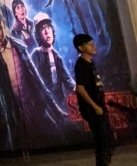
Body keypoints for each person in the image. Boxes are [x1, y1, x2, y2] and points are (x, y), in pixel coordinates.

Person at [0, 2, 62, 146]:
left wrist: (54, 108)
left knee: (53, 140)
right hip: (16, 113)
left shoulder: (19, 47)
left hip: (36, 107)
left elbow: (37, 81)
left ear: (3, 22)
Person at [74, 33, 113, 166]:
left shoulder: (90, 63)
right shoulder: (81, 65)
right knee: (102, 140)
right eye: (89, 44)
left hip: (99, 106)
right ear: (80, 47)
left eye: (93, 43)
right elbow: (80, 88)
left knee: (107, 138)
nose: (93, 46)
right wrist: (95, 106)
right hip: (92, 109)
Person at [30, 14, 76, 109]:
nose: (47, 32)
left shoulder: (57, 57)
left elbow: (68, 80)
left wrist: (78, 88)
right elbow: (32, 82)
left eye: (48, 27)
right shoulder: (35, 55)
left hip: (60, 103)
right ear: (38, 34)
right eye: (42, 29)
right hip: (44, 106)